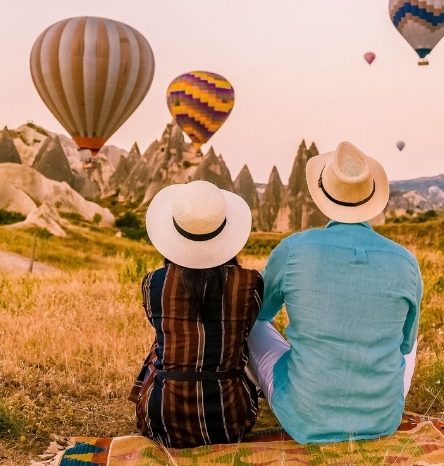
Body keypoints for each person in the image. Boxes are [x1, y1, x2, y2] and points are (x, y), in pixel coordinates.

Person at [246, 142, 422, 444]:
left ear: (322, 195)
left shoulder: (293, 250)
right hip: (383, 417)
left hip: (305, 416)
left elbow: (259, 312)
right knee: (413, 342)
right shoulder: (405, 260)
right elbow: (405, 346)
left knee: (252, 325)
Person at [130, 180, 263, 448]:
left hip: (164, 418)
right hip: (231, 420)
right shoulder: (250, 283)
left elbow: (158, 326)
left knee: (161, 346)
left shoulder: (153, 284)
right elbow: (247, 327)